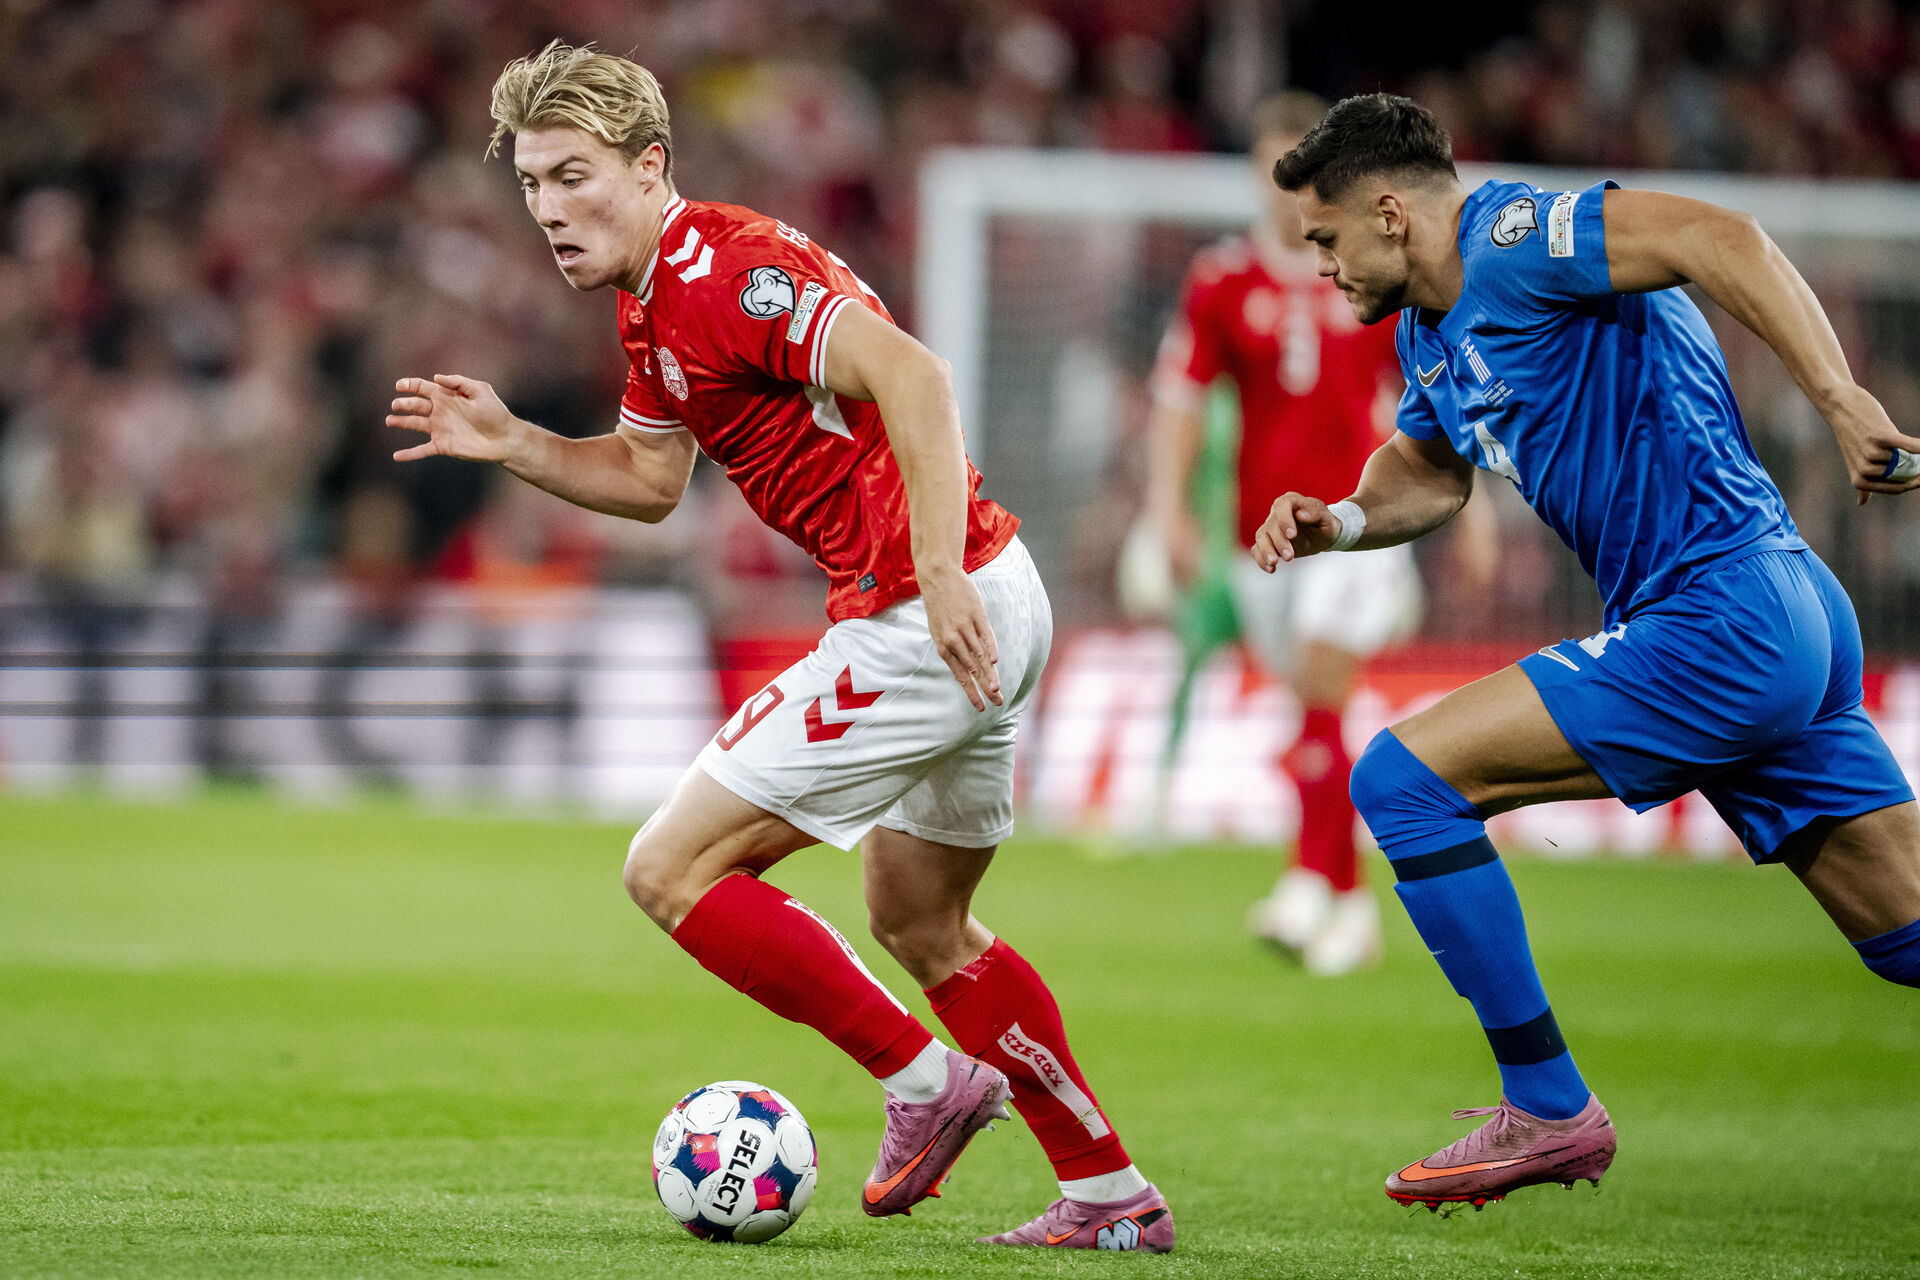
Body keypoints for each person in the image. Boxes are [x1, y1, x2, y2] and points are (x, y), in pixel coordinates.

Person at [385, 42, 1172, 1252]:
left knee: (670, 868)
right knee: (921, 919)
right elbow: (651, 479)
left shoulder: (722, 270)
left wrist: (939, 572)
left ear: (651, 167)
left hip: (927, 607)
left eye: (572, 174)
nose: (547, 208)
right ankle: (1112, 1193)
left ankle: (926, 1085)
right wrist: (518, 443)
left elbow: (912, 372)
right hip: (980, 598)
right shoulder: (653, 305)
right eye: (532, 182)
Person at [1254, 93, 1920, 1211]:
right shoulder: (1431, 328)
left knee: (1402, 779)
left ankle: (1547, 1103)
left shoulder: (1518, 238)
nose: (1318, 264)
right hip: (1775, 610)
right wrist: (1346, 520)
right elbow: (1429, 470)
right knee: (1905, 935)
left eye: (1324, 239)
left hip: (1720, 617)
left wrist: (1841, 396)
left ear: (1388, 211)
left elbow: (1724, 239)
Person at [1145, 91, 1492, 975]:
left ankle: (1314, 883)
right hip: (1257, 533)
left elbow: (1430, 401)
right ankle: (1338, 898)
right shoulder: (1222, 279)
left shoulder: (1371, 271)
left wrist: (1474, 510)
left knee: (1320, 680)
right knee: (1309, 705)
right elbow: (1183, 401)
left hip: (1353, 524)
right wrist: (1170, 512)